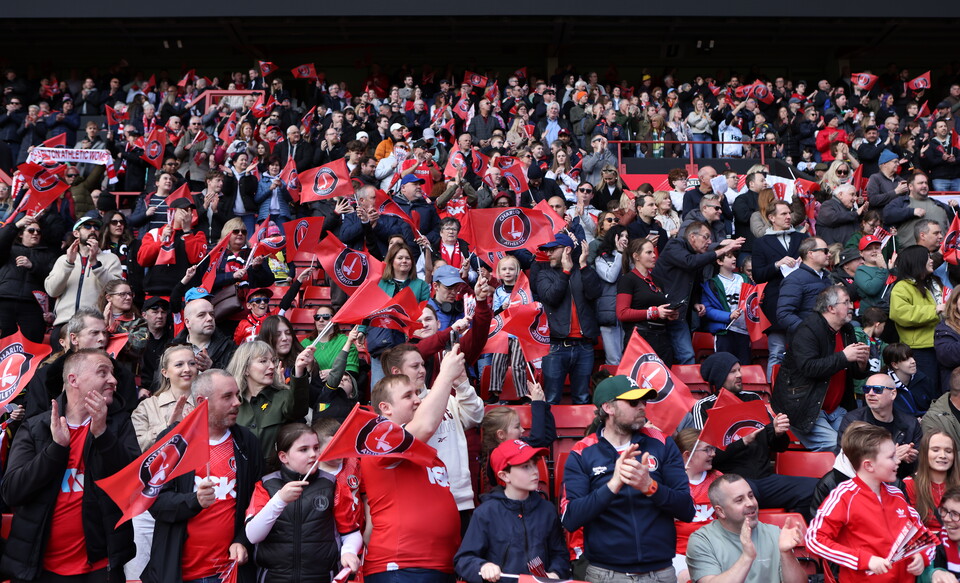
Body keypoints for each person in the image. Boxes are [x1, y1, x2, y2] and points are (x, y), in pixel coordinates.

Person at [1, 348, 138, 583]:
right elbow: (12, 491)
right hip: (39, 567)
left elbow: (134, 485)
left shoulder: (119, 425)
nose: (114, 381)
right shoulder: (36, 427)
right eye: (103, 372)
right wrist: (56, 450)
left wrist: (103, 435)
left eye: (113, 374)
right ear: (73, 380)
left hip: (101, 567)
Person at [561, 375, 695, 582]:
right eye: (633, 402)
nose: (642, 406)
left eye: (644, 401)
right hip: (606, 573)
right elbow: (571, 519)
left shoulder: (662, 443)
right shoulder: (582, 452)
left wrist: (649, 486)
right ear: (608, 408)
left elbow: (687, 510)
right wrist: (613, 484)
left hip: (660, 573)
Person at [143, 369, 263, 583]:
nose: (237, 402)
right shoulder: (174, 441)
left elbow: (258, 500)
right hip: (179, 572)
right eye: (227, 397)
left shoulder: (247, 442)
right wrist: (194, 500)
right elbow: (155, 502)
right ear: (202, 401)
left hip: (229, 572)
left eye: (237, 395)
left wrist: (243, 540)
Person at [361, 348, 466, 583]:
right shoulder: (378, 442)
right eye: (408, 396)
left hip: (436, 566)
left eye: (416, 394)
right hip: (401, 566)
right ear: (386, 408)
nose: (418, 399)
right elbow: (427, 424)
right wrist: (446, 376)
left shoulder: (421, 448)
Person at [806, 424, 932, 582]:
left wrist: (921, 555)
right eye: (890, 457)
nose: (897, 461)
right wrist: (863, 560)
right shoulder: (844, 496)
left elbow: (925, 538)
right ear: (869, 465)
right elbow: (814, 539)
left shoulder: (897, 494)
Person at [243, 423, 362, 583]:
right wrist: (279, 500)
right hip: (274, 578)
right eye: (304, 449)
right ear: (283, 457)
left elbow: (350, 533)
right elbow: (253, 535)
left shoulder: (332, 486)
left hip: (322, 577)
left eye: (316, 447)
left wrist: (348, 551)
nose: (313, 454)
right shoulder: (266, 486)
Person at [380, 342, 483, 521]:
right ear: (397, 372)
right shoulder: (395, 411)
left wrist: (463, 385)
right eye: (414, 366)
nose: (422, 370)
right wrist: (445, 377)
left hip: (461, 496)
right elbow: (425, 426)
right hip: (426, 500)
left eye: (422, 365)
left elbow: (475, 417)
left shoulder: (445, 398)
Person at [454, 439, 570, 583]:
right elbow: (464, 560)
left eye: (535, 464)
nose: (535, 471)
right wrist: (483, 566)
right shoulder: (486, 513)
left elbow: (560, 555)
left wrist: (555, 573)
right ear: (504, 476)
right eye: (526, 466)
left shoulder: (547, 510)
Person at [771, 286, 869, 451]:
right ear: (831, 308)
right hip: (806, 408)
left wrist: (861, 363)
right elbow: (809, 368)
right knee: (837, 446)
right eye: (846, 302)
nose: (851, 306)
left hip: (837, 408)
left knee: (862, 444)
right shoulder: (807, 330)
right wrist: (844, 356)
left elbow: (852, 373)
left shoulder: (847, 330)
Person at [685, 474, 807, 583]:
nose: (751, 503)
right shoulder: (702, 541)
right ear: (720, 511)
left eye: (751, 496)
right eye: (739, 500)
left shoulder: (775, 533)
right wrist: (747, 557)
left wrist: (786, 554)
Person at [652, 221, 744, 365]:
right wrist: (724, 249)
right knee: (661, 357)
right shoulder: (675, 245)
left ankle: (689, 387)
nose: (709, 242)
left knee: (687, 355)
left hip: (678, 314)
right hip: (659, 312)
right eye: (706, 237)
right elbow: (690, 262)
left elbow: (694, 283)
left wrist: (696, 303)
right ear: (692, 236)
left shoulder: (698, 256)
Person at [534, 233, 601, 404]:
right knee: (551, 399)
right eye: (546, 250)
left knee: (582, 398)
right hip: (556, 346)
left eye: (552, 249)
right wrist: (565, 272)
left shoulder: (584, 270)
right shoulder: (544, 274)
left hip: (584, 346)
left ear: (567, 249)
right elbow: (551, 298)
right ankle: (548, 431)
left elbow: (595, 293)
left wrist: (584, 265)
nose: (548, 254)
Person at [228, 340, 314, 466]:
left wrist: (299, 371)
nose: (272, 366)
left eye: (273, 360)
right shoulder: (233, 403)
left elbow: (298, 409)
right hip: (241, 476)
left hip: (274, 479)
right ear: (245, 369)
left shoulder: (282, 396)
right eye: (263, 361)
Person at [751, 200, 809, 377]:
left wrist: (806, 263)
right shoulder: (761, 243)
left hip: (802, 302)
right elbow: (758, 275)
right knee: (776, 352)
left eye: (789, 213)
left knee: (802, 353)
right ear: (771, 217)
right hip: (775, 304)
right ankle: (772, 393)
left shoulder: (803, 238)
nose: (789, 216)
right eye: (783, 214)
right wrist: (777, 264)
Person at [44, 217, 123, 345]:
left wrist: (96, 264)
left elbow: (116, 290)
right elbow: (52, 291)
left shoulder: (111, 259)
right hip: (65, 324)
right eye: (87, 226)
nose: (93, 230)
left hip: (94, 325)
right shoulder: (63, 259)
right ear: (76, 233)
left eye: (96, 228)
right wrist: (68, 263)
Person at [837, 373, 922, 479]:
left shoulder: (911, 423)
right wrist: (892, 457)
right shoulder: (852, 421)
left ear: (893, 394)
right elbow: (846, 461)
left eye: (877, 389)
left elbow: (921, 465)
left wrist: (912, 459)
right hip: (862, 484)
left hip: (901, 484)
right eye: (866, 389)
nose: (870, 393)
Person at [889, 245, 946, 393]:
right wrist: (935, 310)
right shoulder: (902, 287)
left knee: (943, 389)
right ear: (917, 261)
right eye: (927, 257)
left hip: (940, 345)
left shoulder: (931, 283)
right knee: (929, 391)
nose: (931, 260)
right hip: (920, 350)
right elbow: (901, 314)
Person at [673, 428, 723, 582]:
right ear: (687, 455)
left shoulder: (719, 480)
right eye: (707, 449)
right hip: (680, 553)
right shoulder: (670, 482)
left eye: (712, 448)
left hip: (715, 550)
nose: (713, 453)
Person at [617, 238, 679, 363]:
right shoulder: (627, 279)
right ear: (636, 256)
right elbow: (622, 313)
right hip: (640, 339)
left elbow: (658, 308)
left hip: (662, 338)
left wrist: (668, 314)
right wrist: (654, 312)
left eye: (654, 252)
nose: (654, 256)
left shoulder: (657, 280)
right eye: (649, 252)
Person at [0, 212, 55, 343]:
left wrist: (33, 266)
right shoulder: (9, 249)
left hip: (32, 305)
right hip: (5, 300)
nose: (35, 233)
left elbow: (52, 278)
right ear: (21, 234)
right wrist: (16, 225)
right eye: (31, 230)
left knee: (32, 342)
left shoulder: (48, 254)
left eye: (38, 231)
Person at [904, 431, 960, 534]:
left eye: (948, 451)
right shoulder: (909, 484)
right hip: (927, 545)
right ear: (924, 453)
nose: (943, 455)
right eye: (935, 450)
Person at [702, 251, 751, 364]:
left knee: (744, 365)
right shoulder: (711, 284)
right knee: (724, 366)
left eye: (735, 256)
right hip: (725, 332)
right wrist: (728, 316)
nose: (734, 258)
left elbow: (753, 299)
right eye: (729, 257)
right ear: (719, 261)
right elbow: (708, 310)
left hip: (744, 331)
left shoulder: (744, 279)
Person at [776, 237, 833, 334]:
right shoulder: (794, 279)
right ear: (810, 254)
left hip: (828, 336)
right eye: (825, 251)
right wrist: (807, 331)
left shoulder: (826, 278)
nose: (829, 254)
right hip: (806, 341)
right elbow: (784, 314)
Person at [172, 292, 238, 370]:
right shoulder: (172, 349)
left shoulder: (230, 348)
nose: (210, 318)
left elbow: (237, 379)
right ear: (187, 322)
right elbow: (161, 380)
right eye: (201, 315)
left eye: (212, 314)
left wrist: (212, 368)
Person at [885, 342, 937, 417]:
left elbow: (935, 406)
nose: (913, 361)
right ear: (895, 365)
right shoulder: (884, 386)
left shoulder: (924, 380)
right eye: (906, 359)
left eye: (912, 357)